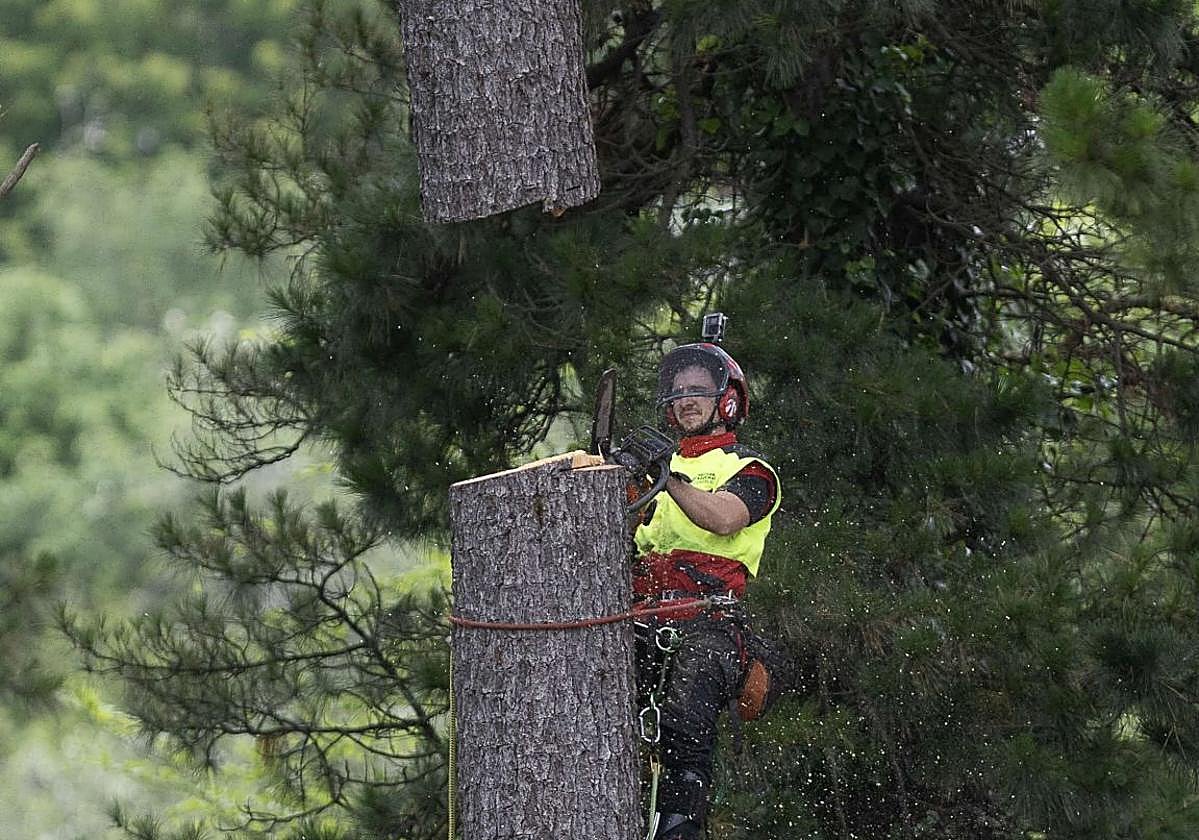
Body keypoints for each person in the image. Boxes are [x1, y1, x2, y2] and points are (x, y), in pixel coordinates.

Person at [632, 341, 782, 840]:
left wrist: (666, 479)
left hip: (710, 623)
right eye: (678, 391)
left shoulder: (749, 470)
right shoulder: (655, 471)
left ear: (727, 399)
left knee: (686, 715)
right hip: (642, 617)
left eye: (699, 389)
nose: (687, 399)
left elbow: (723, 518)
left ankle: (680, 828)